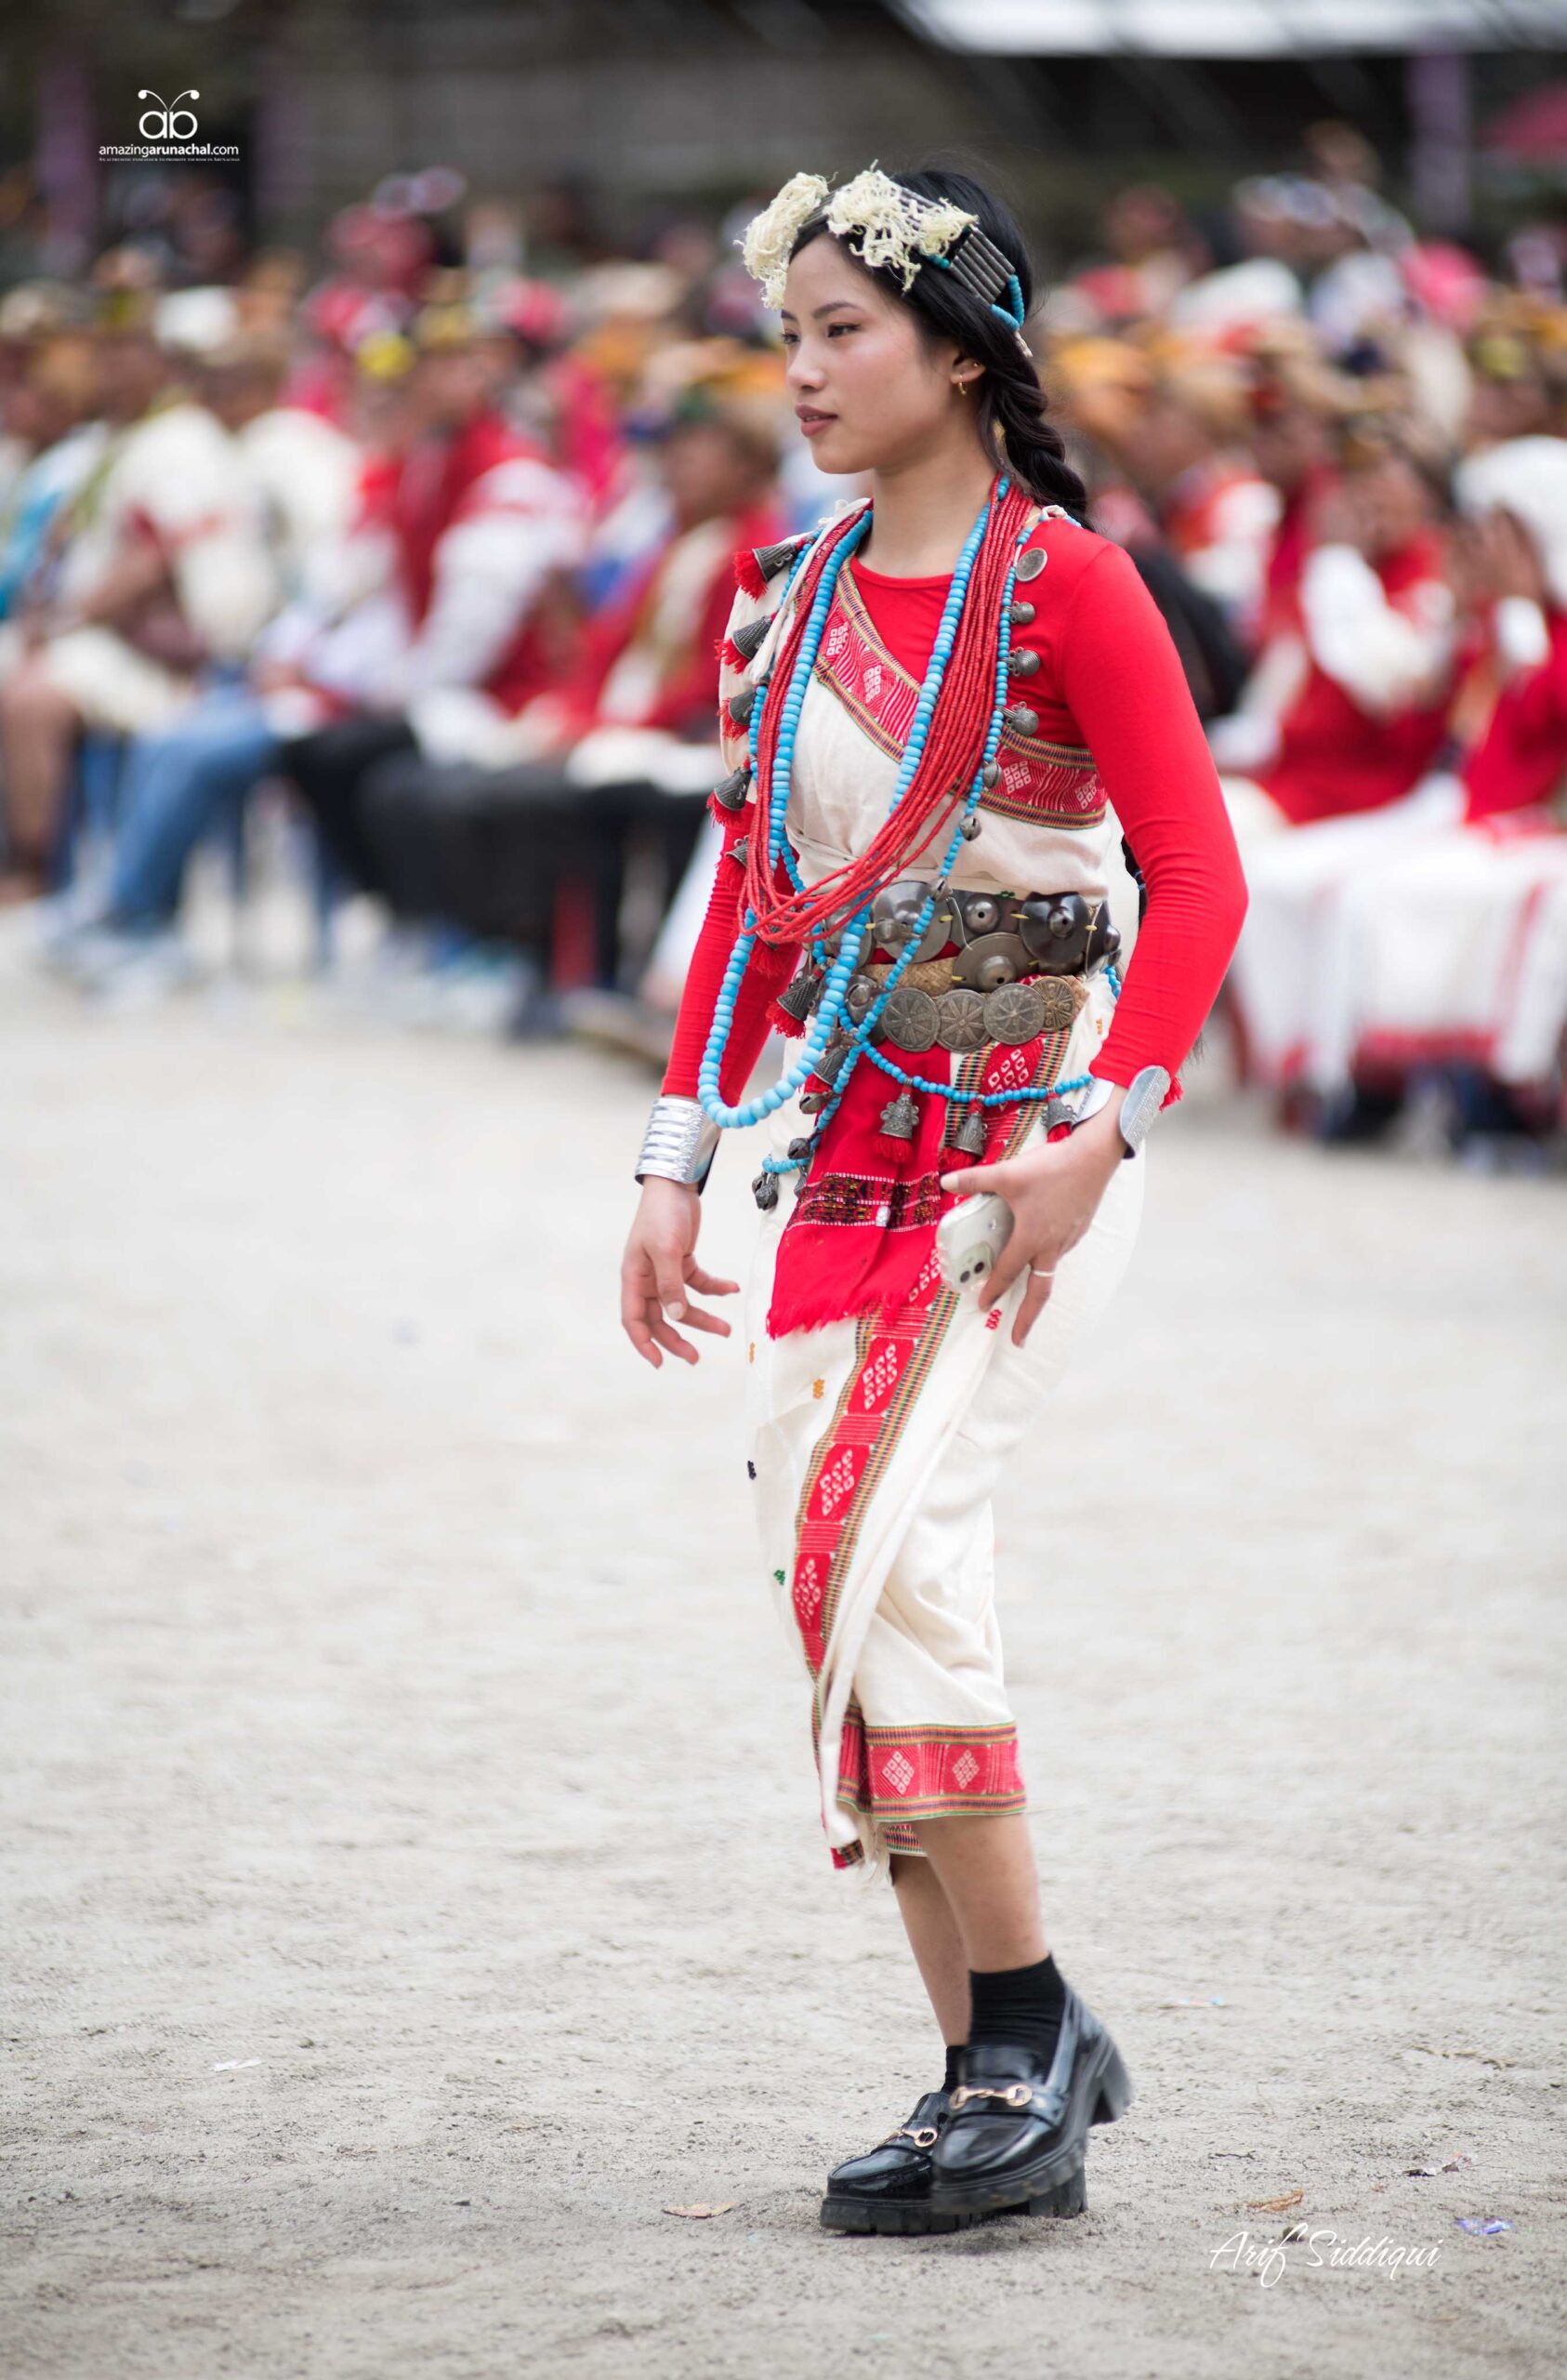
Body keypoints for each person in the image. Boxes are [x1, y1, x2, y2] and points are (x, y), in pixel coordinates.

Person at [618, 165, 1246, 2236]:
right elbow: (753, 906)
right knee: (832, 1567)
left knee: (892, 1539)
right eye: (786, 335)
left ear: (963, 353)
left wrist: (1107, 1129)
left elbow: (1196, 873)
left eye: (843, 333)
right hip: (845, 1139)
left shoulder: (1067, 582)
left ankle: (1020, 2043)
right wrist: (672, 1164)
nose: (799, 374)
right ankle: (1001, 2050)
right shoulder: (784, 597)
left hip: (1028, 1138)